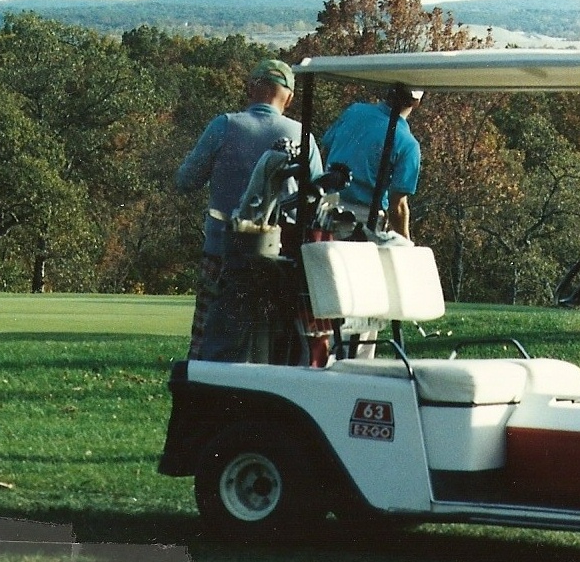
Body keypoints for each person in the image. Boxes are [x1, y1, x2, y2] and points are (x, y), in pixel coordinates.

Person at [174, 59, 323, 360]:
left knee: (209, 341)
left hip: (223, 253)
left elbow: (185, 180)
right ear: (289, 98)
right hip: (279, 261)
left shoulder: (225, 125)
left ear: (251, 88)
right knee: (271, 346)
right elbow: (315, 201)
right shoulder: (303, 136)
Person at [321, 85, 423, 240]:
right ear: (416, 103)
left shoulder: (354, 111)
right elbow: (398, 205)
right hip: (361, 223)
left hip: (324, 212)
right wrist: (405, 241)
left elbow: (326, 149)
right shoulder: (408, 144)